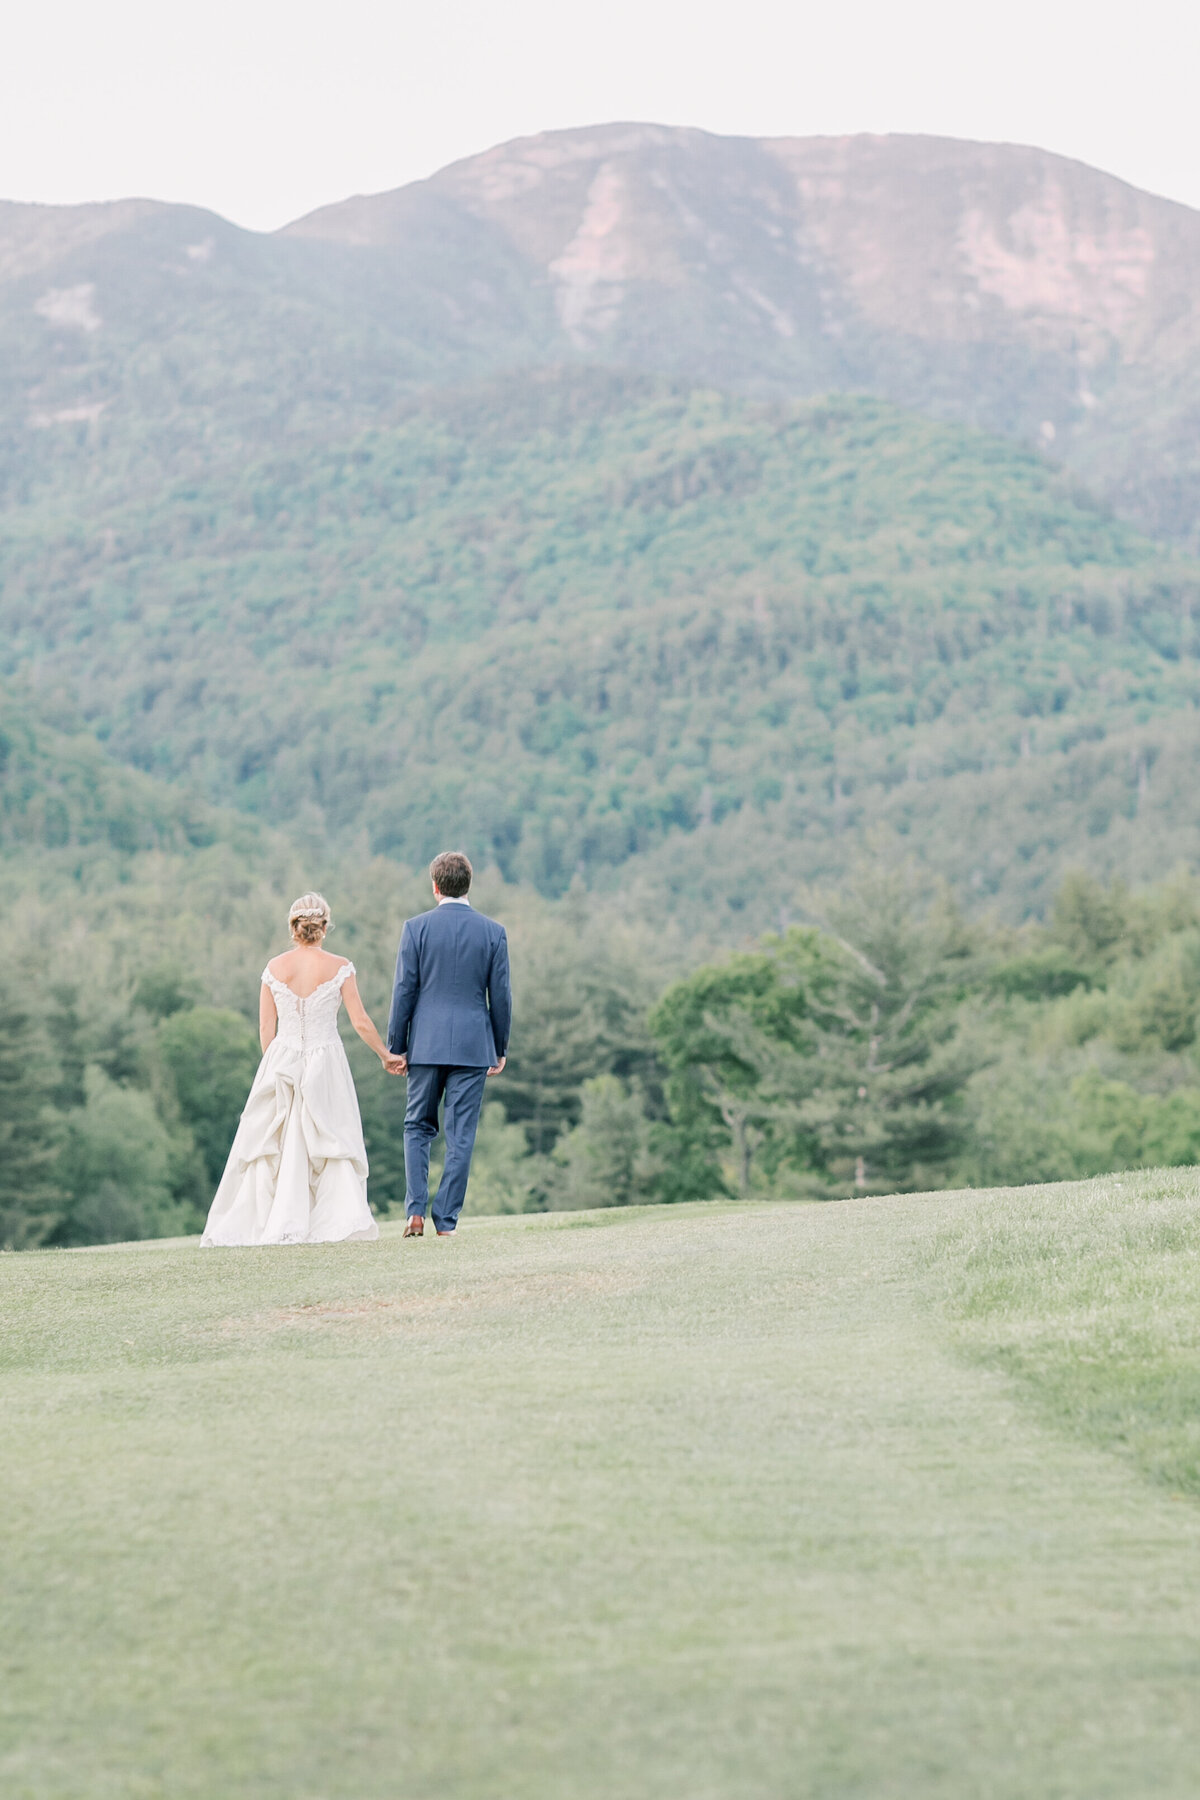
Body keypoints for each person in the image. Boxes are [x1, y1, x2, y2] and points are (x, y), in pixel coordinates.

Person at [201, 893, 387, 1246]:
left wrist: (273, 1070)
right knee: (329, 1135)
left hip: (282, 1059)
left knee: (277, 1141)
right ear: (324, 926)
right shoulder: (340, 966)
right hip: (326, 1059)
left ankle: (275, 1221)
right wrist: (385, 1054)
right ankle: (331, 1221)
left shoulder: (274, 968)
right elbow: (360, 1021)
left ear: (294, 927)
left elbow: (265, 1029)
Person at [387, 851, 511, 1237]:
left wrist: (397, 1045)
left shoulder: (415, 928)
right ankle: (447, 1221)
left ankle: (415, 1211)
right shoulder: (493, 932)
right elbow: (501, 997)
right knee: (461, 1134)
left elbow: (404, 990)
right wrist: (499, 1046)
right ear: (468, 885)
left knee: (417, 1126)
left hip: (424, 1044)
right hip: (474, 1046)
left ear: (435, 886)